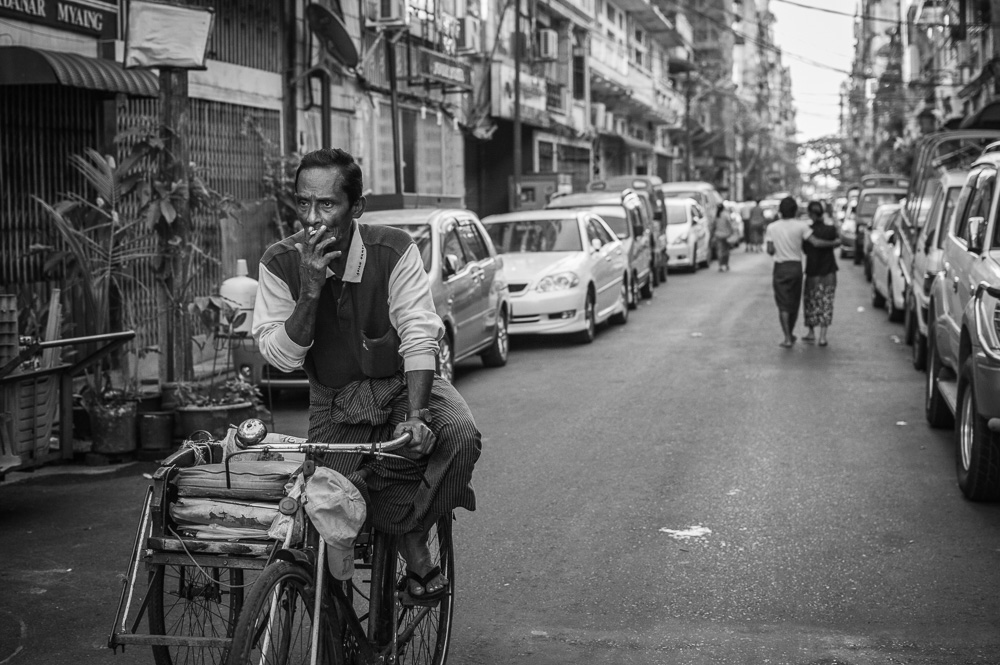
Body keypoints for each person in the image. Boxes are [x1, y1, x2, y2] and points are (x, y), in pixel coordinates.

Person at [252, 148, 481, 603]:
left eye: (327, 205)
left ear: (356, 207)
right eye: (303, 204)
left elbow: (418, 334)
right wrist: (310, 292)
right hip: (333, 400)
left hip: (403, 386)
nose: (313, 219)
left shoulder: (392, 249)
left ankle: (409, 533)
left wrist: (416, 416)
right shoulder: (279, 261)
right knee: (329, 504)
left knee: (458, 434)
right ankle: (405, 534)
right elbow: (281, 357)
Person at [764, 196, 840, 348]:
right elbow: (816, 242)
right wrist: (834, 243)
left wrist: (779, 249)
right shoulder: (802, 227)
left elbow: (770, 250)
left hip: (780, 267)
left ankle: (787, 337)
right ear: (795, 210)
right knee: (794, 303)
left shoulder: (772, 227)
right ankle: (801, 334)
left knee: (783, 304)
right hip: (796, 267)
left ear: (780, 211)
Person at [802, 200, 838, 346]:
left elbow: (805, 249)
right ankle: (823, 336)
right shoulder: (831, 230)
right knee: (826, 302)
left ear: (810, 214)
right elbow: (838, 240)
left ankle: (811, 332)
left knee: (811, 301)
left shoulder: (807, 231)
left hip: (813, 270)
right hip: (829, 270)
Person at [713, 203, 734, 271]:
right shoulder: (726, 215)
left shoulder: (716, 216)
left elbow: (713, 226)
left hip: (718, 235)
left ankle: (721, 265)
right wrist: (732, 231)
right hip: (726, 235)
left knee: (720, 251)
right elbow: (730, 224)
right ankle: (726, 264)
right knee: (726, 251)